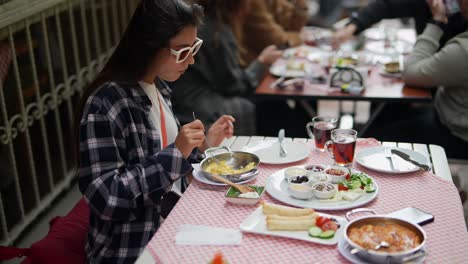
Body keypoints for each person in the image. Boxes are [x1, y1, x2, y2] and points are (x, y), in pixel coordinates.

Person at [76, 1, 235, 263]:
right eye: (183, 52)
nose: (192, 60)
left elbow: (166, 171)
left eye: (193, 48)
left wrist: (203, 147)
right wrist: (177, 153)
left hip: (174, 223)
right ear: (150, 46)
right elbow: (106, 197)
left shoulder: (157, 88)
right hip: (131, 246)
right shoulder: (106, 103)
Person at [365, 0, 468, 159]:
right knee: (391, 112)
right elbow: (386, 5)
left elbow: (410, 73)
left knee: (370, 139)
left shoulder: (463, 50)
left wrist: (437, 22)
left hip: (455, 135)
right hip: (449, 115)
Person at [170, 0, 282, 135]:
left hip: (178, 101)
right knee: (250, 106)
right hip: (194, 107)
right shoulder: (217, 32)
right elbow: (233, 85)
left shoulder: (198, 22)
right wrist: (261, 62)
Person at [331, 0, 467, 48]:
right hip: (429, 66)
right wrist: (351, 28)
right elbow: (385, 6)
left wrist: (438, 20)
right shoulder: (429, 3)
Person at [241, 0, 309, 65]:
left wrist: (301, 3)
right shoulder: (254, 2)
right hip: (251, 66)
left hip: (270, 63)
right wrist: (299, 37)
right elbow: (277, 41)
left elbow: (293, 27)